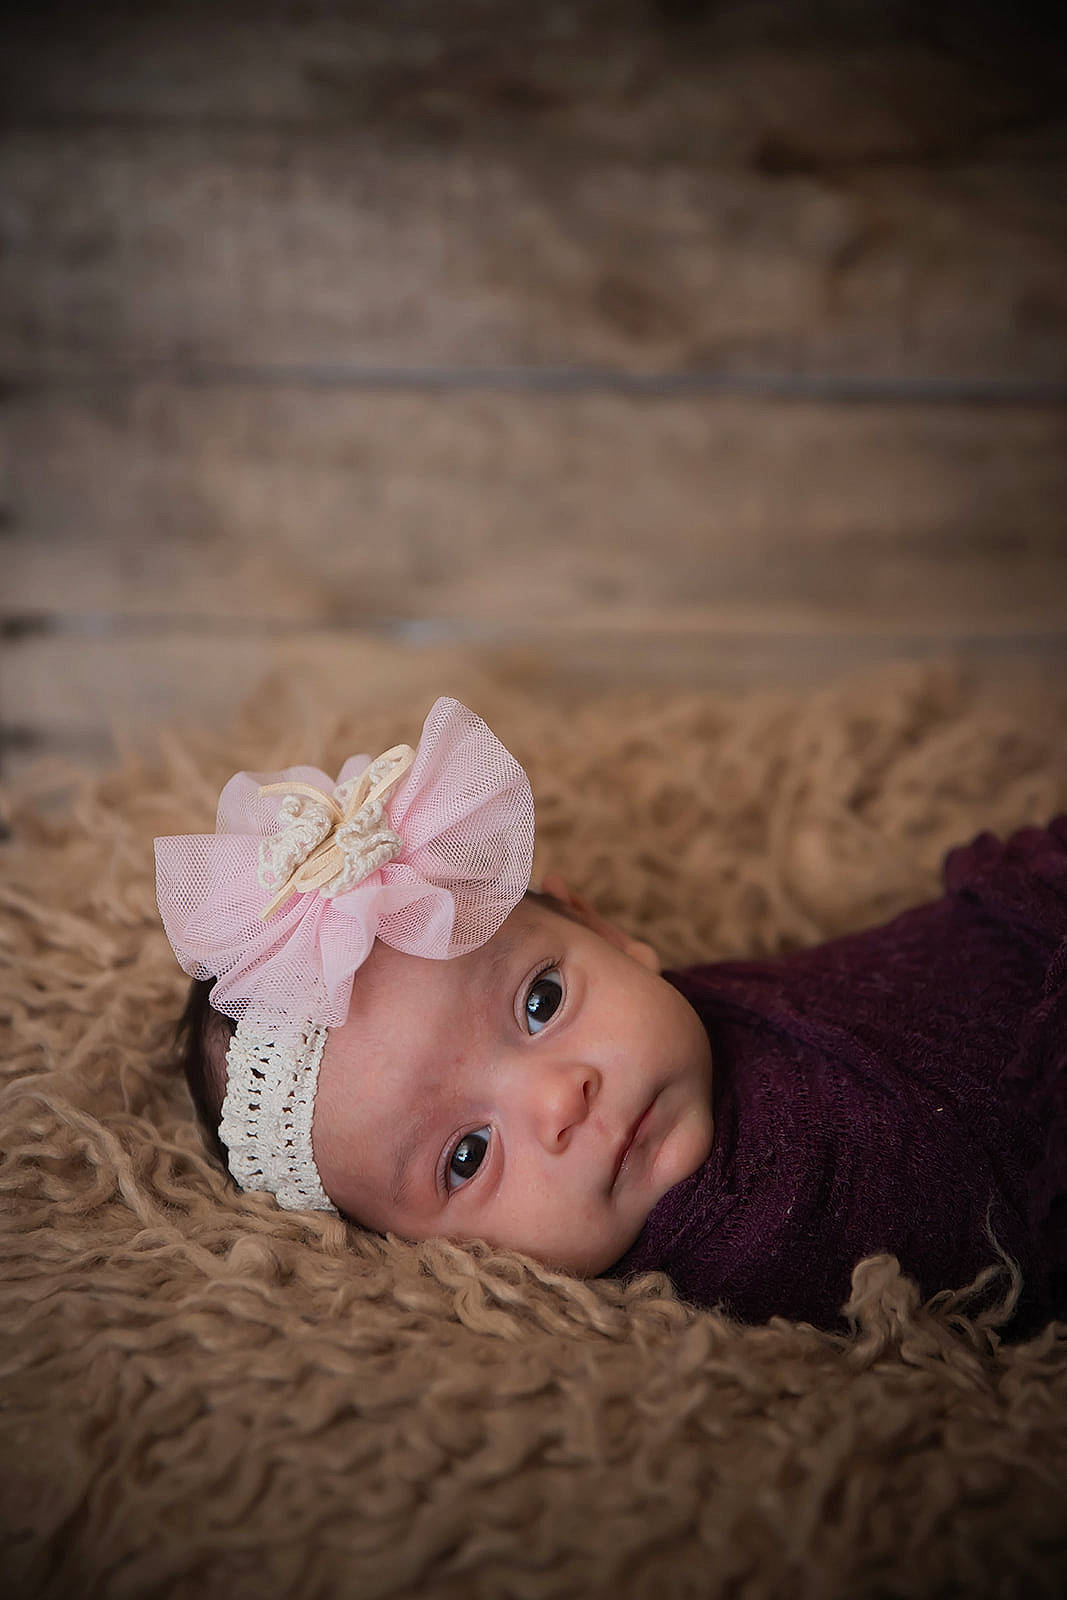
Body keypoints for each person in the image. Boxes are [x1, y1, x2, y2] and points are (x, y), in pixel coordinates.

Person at [156, 697, 1067, 1335]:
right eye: (466, 1156)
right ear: (419, 1258)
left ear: (605, 932)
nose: (562, 1099)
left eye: (541, 1002)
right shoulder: (733, 1280)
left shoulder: (691, 1017)